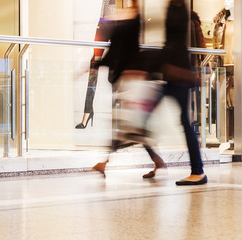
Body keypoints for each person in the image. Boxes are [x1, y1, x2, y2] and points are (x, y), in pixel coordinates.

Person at [91, 0, 166, 179]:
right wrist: (96, 65)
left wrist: (98, 65)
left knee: (127, 124)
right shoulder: (127, 17)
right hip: (125, 79)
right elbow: (116, 49)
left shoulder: (134, 18)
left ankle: (105, 161)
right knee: (131, 125)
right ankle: (155, 159)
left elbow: (121, 50)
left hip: (132, 80)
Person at [160, 0, 207, 185]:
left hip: (178, 73)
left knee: (185, 122)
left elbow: (175, 43)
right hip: (176, 72)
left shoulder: (180, 11)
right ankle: (196, 170)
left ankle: (198, 171)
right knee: (184, 121)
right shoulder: (177, 8)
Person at [75, 0, 116, 129]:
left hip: (119, 24)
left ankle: (117, 115)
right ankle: (88, 111)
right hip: (103, 23)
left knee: (115, 69)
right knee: (94, 66)